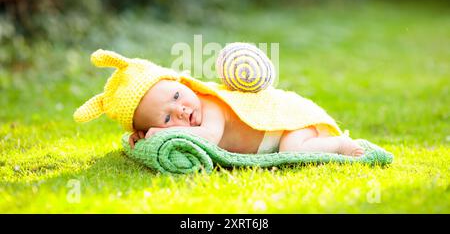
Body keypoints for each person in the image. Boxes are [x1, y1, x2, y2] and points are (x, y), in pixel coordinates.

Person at [74, 49, 364, 157]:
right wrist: (146, 136)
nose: (181, 110)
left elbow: (210, 138)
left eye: (176, 97)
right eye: (165, 118)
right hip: (278, 132)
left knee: (292, 149)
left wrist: (162, 131)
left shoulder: (210, 104)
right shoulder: (191, 114)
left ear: (182, 83)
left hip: (289, 125)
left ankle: (339, 145)